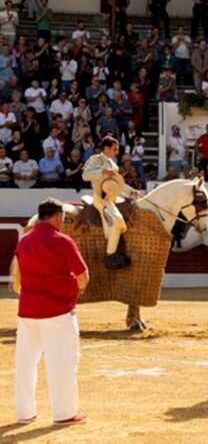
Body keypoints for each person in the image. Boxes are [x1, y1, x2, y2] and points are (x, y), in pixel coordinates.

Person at [13, 199, 90, 427]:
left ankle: (24, 412)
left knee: (25, 363)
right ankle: (64, 413)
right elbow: (83, 276)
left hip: (27, 311)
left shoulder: (24, 241)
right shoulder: (62, 241)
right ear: (58, 217)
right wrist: (73, 291)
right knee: (62, 363)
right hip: (57, 311)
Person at [82, 137, 137, 269]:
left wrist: (131, 191)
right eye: (114, 149)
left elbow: (117, 185)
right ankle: (110, 256)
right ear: (106, 148)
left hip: (114, 196)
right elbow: (85, 175)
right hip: (101, 197)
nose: (116, 152)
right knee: (117, 220)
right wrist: (102, 172)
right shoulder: (95, 160)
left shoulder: (113, 164)